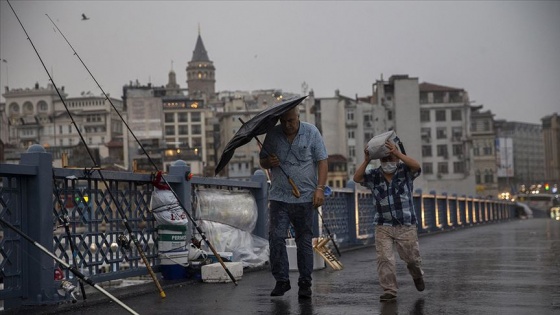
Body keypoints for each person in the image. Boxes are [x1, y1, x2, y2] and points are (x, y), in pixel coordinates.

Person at [259, 106, 328, 298]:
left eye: (291, 121)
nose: (288, 125)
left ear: (298, 117)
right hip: (279, 196)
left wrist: (320, 189)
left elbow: (322, 160)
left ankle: (305, 282)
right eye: (284, 121)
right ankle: (282, 280)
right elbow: (262, 161)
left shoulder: (311, 132)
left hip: (305, 197)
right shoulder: (273, 134)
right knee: (276, 236)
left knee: (304, 240)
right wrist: (268, 162)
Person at [353, 138, 425, 302]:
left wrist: (396, 152)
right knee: (384, 259)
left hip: (405, 224)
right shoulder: (373, 176)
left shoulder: (405, 171)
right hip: (382, 225)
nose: (387, 162)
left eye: (390, 158)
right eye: (384, 159)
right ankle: (389, 290)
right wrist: (367, 160)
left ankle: (417, 275)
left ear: (397, 158)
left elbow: (417, 166)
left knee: (412, 259)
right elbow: (357, 178)